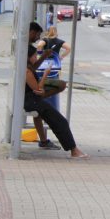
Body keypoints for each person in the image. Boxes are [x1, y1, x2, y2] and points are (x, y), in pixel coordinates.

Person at [27, 22, 74, 152]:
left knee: (60, 86)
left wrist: (43, 57)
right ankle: (73, 149)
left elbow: (34, 65)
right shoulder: (28, 71)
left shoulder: (29, 64)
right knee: (61, 122)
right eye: (36, 35)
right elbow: (37, 88)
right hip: (32, 97)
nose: (38, 38)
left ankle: (44, 141)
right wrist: (45, 75)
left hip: (32, 95)